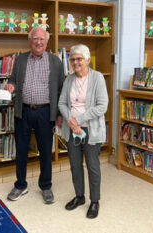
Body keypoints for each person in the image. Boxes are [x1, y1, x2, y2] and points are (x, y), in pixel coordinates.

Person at [4, 27, 65, 204]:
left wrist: (59, 113)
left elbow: (61, 88)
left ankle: (46, 186)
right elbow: (13, 79)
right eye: (35, 39)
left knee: (45, 150)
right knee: (21, 149)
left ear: (47, 42)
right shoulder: (21, 59)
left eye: (42, 39)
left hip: (46, 112)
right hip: (23, 110)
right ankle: (20, 185)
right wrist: (10, 86)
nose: (38, 42)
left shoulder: (55, 61)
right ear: (30, 41)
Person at [58, 44, 108, 218]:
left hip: (91, 130)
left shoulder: (98, 78)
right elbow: (62, 103)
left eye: (79, 58)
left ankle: (95, 201)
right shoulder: (69, 79)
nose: (75, 62)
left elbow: (102, 106)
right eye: (72, 59)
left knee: (93, 166)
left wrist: (77, 120)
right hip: (73, 130)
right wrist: (71, 123)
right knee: (75, 165)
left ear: (87, 59)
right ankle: (79, 196)